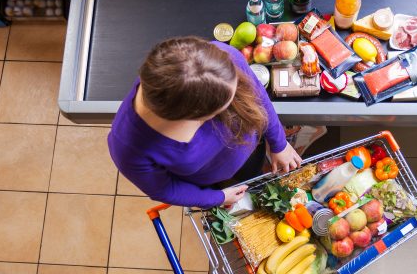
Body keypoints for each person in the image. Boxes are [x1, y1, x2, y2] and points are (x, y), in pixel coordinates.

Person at [107, 36, 302, 209]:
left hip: (249, 153)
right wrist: (217, 197)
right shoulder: (128, 150)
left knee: (252, 169)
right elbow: (164, 189)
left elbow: (257, 95)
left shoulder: (218, 59)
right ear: (195, 119)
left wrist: (279, 143)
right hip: (209, 178)